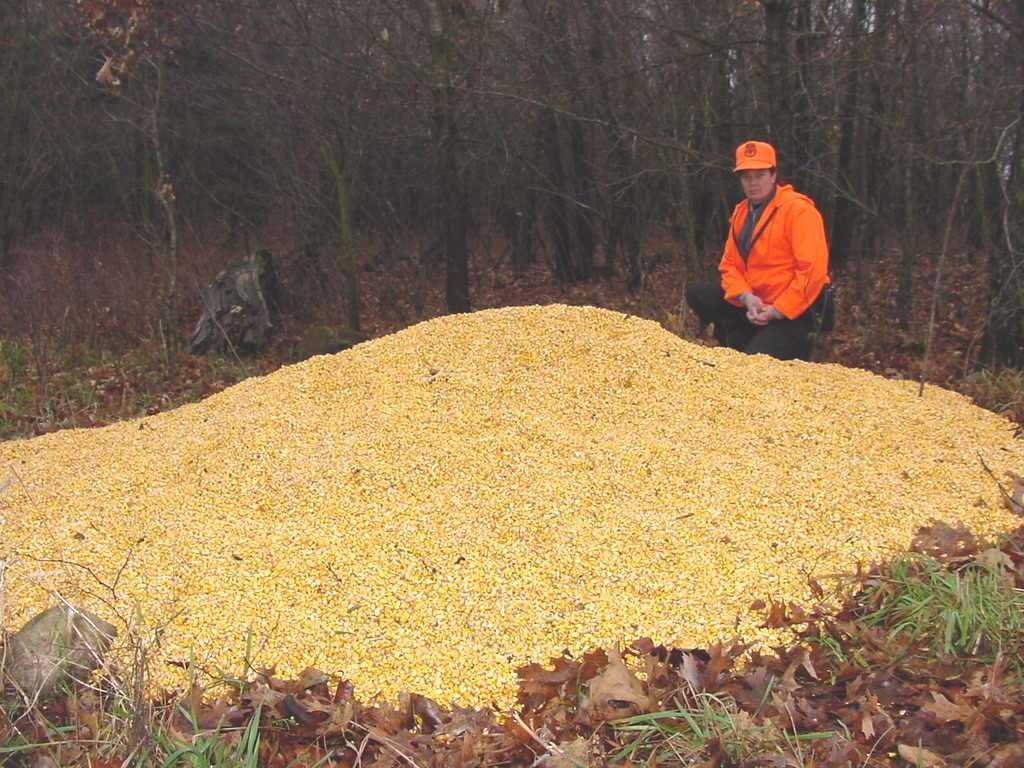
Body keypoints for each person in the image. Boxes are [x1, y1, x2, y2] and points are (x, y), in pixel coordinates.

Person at [686, 140, 830, 361]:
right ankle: (742, 338)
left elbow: (812, 272)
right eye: (746, 177)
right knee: (699, 293)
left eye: (760, 175)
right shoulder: (741, 213)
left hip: (797, 311)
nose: (753, 183)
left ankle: (766, 345)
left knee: (754, 366)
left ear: (773, 175)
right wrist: (747, 298)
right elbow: (730, 265)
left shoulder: (799, 211)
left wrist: (778, 310)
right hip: (758, 302)